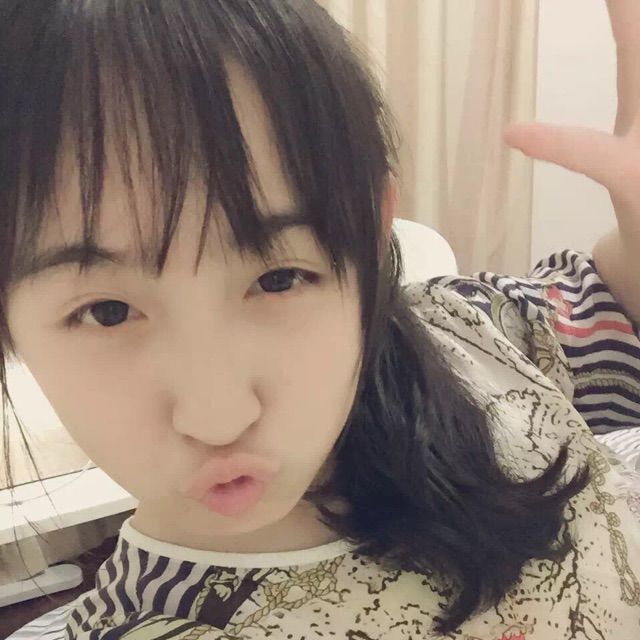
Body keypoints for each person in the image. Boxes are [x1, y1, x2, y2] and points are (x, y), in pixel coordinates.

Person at [1, 1, 638, 638]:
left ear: (372, 232)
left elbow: (610, 302)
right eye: (107, 312)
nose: (219, 417)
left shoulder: (467, 334)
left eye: (279, 278)